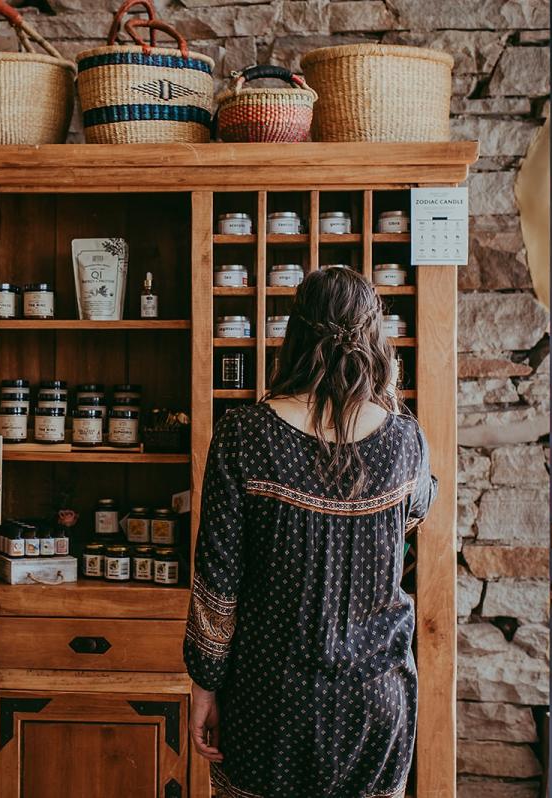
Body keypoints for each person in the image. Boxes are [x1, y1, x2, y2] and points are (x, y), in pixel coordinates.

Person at [184, 267, 436, 798]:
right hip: (374, 700)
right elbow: (413, 513)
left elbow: (218, 583)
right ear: (375, 340)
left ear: (293, 337)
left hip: (269, 702)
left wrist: (205, 683)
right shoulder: (404, 441)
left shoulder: (243, 434)